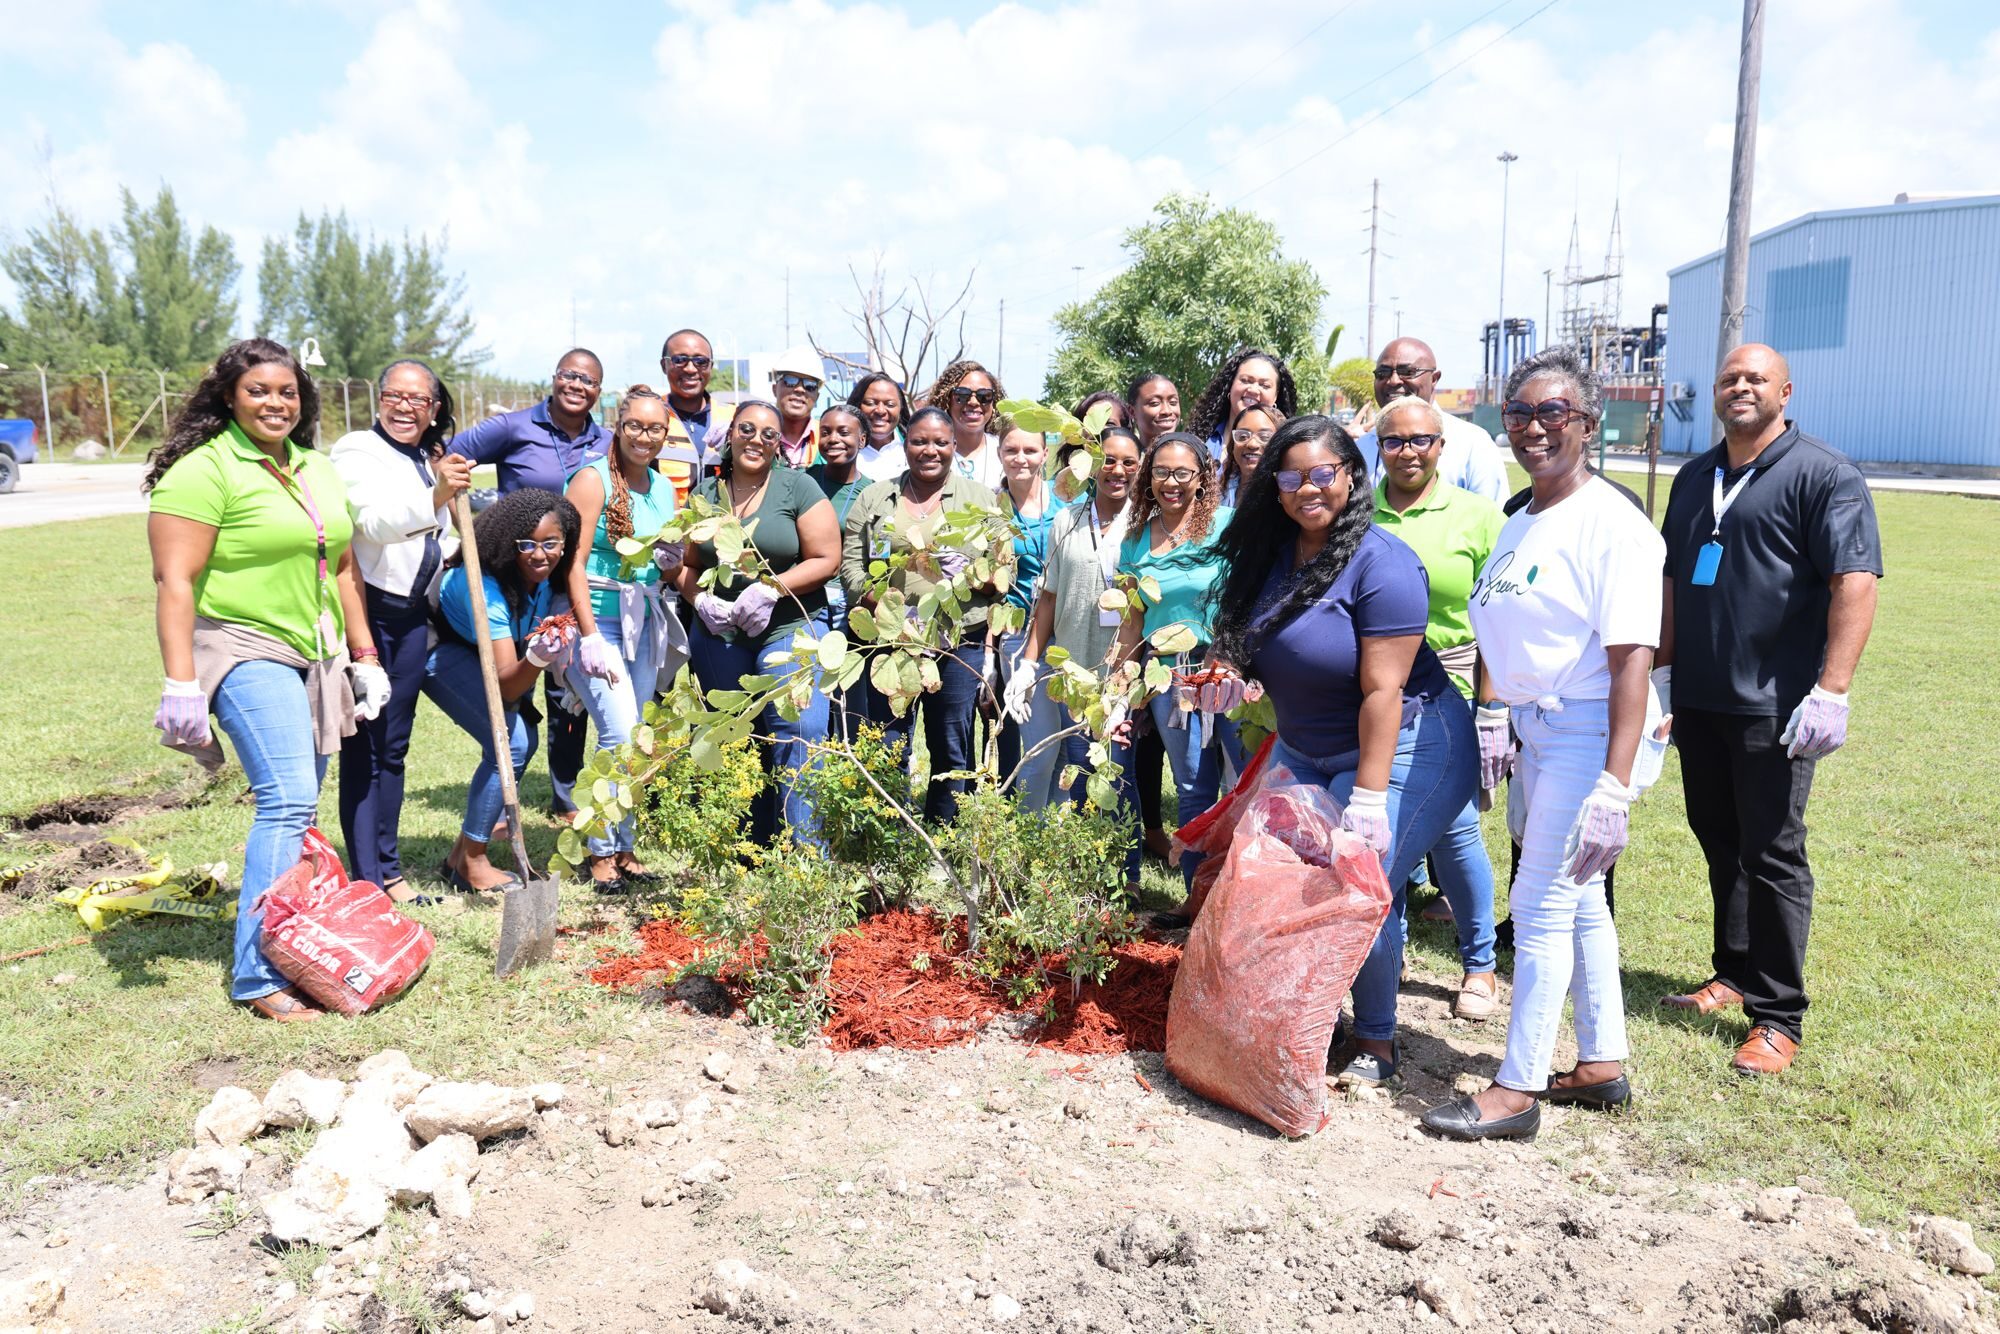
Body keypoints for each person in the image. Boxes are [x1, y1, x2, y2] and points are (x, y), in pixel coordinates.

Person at [1424, 348, 1665, 1142]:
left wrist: (1612, 785)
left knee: (1538, 903)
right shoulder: (1523, 517)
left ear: (1588, 426)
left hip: (1590, 729)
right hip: (1536, 729)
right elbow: (1500, 623)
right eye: (1519, 414)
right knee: (1581, 898)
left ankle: (1516, 1088)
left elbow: (1634, 660)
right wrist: (1495, 712)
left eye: (1552, 413)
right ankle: (1601, 1062)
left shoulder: (1613, 527)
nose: (1533, 428)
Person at [1200, 414, 1477, 1085]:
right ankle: (1296, 1019)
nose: (1306, 489)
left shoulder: (1383, 564)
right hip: (1305, 745)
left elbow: (1383, 692)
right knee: (1280, 880)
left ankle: (1375, 1041)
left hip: (1408, 743)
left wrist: (1371, 801)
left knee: (1358, 881)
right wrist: (1226, 675)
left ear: (1353, 476)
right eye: (1290, 477)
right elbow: (1247, 643)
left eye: (1323, 473)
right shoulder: (1272, 553)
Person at [1656, 343, 1882, 1077]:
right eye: (1729, 378)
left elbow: (1854, 581)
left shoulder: (1825, 474)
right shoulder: (1695, 477)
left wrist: (1832, 689)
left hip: (1777, 705)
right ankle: (1734, 970)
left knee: (1774, 853)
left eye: (1756, 378)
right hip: (1699, 697)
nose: (1740, 387)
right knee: (1720, 838)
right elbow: (1668, 580)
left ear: (1786, 391)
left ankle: (1778, 1016)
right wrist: (1662, 673)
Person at [146, 338, 380, 1023]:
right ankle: (256, 975)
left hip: (314, 650)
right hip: (240, 645)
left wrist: (365, 656)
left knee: (300, 809)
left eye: (287, 392)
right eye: (258, 391)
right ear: (228, 396)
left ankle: (295, 946)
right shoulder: (203, 471)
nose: (275, 403)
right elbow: (175, 581)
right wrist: (181, 682)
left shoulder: (314, 467)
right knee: (287, 799)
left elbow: (339, 566)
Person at [1369, 395, 1505, 1022]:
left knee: (1453, 830)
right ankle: (1387, 949)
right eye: (1394, 441)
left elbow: (1500, 621)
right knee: (1383, 822)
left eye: (1420, 440)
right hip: (1373, 687)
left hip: (1450, 685)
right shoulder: (1356, 511)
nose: (1407, 452)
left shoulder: (1478, 517)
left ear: (1442, 445)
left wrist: (1491, 706)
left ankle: (1479, 963)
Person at [330, 359, 474, 903]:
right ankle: (369, 880)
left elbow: (429, 538)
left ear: (434, 408)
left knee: (394, 748)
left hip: (413, 617)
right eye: (396, 395)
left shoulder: (423, 457)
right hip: (372, 618)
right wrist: (437, 494)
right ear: (379, 399)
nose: (406, 407)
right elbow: (371, 524)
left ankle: (388, 872)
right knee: (366, 750)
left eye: (420, 400)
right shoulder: (355, 452)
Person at [455, 348, 610, 821]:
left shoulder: (603, 440)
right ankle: (501, 804)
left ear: (598, 391)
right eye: (569, 375)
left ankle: (565, 795)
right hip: (515, 576)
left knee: (567, 693)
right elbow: (453, 456)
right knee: (516, 686)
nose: (577, 386)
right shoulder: (515, 427)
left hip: (570, 575)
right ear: (554, 377)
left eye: (587, 380)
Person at [841, 406, 1015, 821]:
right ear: (906, 444)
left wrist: (976, 576)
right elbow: (851, 569)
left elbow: (1005, 565)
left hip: (959, 640)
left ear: (955, 446)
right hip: (891, 641)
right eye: (920, 441)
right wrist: (889, 614)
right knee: (888, 739)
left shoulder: (980, 498)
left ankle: (946, 835)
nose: (930, 450)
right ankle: (888, 836)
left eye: (940, 442)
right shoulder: (874, 497)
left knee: (951, 740)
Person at [681, 401, 840, 844]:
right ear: (730, 433)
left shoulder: (798, 487)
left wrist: (772, 588)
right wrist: (699, 599)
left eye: (769, 434)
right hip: (721, 634)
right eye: (747, 428)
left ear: (779, 445)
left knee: (798, 733)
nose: (757, 439)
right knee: (733, 736)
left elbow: (828, 558)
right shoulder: (704, 495)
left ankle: (805, 858)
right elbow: (684, 565)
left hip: (789, 628)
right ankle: (746, 854)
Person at [424, 489, 581, 894]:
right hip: (442, 649)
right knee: (511, 741)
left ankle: (461, 853)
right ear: (507, 543)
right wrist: (539, 659)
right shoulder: (487, 589)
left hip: (488, 652)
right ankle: (473, 862)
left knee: (520, 741)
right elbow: (507, 683)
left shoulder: (547, 577)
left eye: (551, 543)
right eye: (526, 545)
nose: (539, 554)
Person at [563, 386, 688, 893]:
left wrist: (672, 563)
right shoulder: (592, 480)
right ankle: (598, 852)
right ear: (618, 424)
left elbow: (667, 554)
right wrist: (588, 636)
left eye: (654, 428)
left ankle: (626, 846)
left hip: (644, 621)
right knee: (617, 730)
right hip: (597, 622)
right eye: (634, 425)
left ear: (665, 434)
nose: (644, 436)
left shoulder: (662, 487)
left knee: (638, 737)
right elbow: (570, 562)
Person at [1010, 427, 1145, 887]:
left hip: (1117, 670)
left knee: (1114, 771)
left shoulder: (1145, 525)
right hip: (1069, 669)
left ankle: (1122, 879)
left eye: (1129, 462)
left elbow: (1139, 608)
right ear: (1089, 465)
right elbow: (1047, 598)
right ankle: (1088, 877)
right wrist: (1030, 661)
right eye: (1108, 460)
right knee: (1082, 766)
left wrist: (1123, 687)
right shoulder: (1066, 519)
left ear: (1140, 467)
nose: (1118, 470)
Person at [1113, 431, 1242, 892]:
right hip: (1168, 675)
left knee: (1246, 784)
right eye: (1161, 472)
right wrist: (1118, 687)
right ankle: (1197, 894)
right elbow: (1131, 622)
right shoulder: (1135, 542)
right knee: (1193, 788)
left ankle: (1240, 894)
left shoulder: (1229, 526)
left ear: (1203, 477)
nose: (1171, 482)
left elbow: (1245, 602)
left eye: (1182, 472)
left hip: (1227, 669)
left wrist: (1237, 662)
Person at [1356, 337, 1509, 504]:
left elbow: (1493, 519)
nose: (1393, 381)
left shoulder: (1473, 443)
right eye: (1382, 373)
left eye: (1407, 372)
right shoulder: (1361, 448)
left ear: (1434, 379)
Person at [992, 421, 1056, 784]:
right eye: (1011, 450)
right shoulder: (992, 509)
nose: (1021, 458)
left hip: (1066, 635)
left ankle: (1058, 837)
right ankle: (1028, 837)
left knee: (1066, 750)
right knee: (1038, 751)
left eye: (1030, 450)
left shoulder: (1068, 501)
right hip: (1019, 634)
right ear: (999, 454)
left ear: (1045, 454)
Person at [809, 405, 873, 735]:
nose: (833, 439)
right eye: (826, 431)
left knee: (851, 699)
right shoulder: (802, 481)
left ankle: (853, 778)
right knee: (813, 693)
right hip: (807, 606)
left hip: (853, 608)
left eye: (844, 432)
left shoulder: (874, 493)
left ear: (862, 439)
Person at [658, 328, 731, 501]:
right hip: (667, 523)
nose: (691, 369)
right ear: (664, 365)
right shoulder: (649, 416)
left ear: (711, 366)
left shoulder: (734, 418)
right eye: (680, 360)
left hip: (720, 523)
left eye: (701, 361)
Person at [1188, 349, 1298, 461]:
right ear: (1230, 385)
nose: (1253, 390)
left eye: (1264, 385)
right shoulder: (1199, 439)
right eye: (1246, 381)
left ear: (1276, 396)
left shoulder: (1285, 450)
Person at [924, 359, 1005, 489]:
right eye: (962, 395)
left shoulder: (1006, 450)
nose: (973, 402)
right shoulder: (930, 452)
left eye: (984, 396)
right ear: (947, 401)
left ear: (993, 403)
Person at [767, 347, 825, 468]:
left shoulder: (827, 436)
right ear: (774, 389)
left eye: (810, 385)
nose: (799, 389)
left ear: (817, 396)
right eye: (790, 381)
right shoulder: (755, 434)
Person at [847, 372, 911, 482]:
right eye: (871, 403)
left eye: (890, 404)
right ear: (857, 406)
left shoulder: (912, 450)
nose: (880, 411)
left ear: (901, 408)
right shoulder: (842, 451)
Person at [1219, 402, 1283, 507]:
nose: (1252, 444)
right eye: (1243, 436)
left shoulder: (1284, 497)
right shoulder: (1220, 490)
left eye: (1265, 437)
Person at [1128, 372, 1182, 449]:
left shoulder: (1193, 457)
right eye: (1155, 403)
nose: (1167, 411)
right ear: (1132, 412)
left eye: (1173, 402)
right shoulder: (1124, 459)